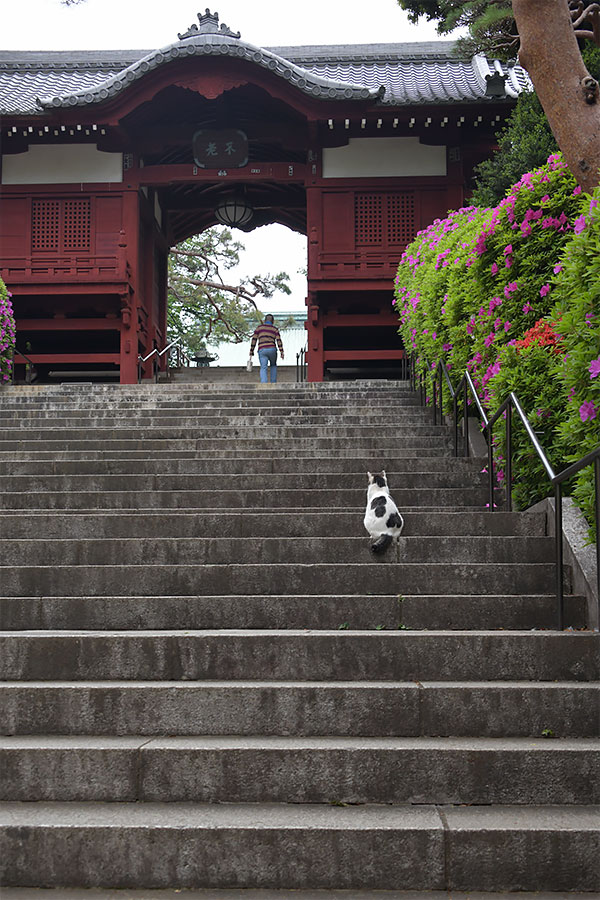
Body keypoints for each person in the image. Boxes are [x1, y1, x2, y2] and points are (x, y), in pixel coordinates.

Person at [249, 314, 284, 383]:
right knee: (273, 365)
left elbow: (254, 339)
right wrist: (281, 351)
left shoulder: (259, 328)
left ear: (264, 320)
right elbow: (278, 340)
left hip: (262, 349)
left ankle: (264, 383)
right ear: (273, 321)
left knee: (263, 367)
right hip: (272, 349)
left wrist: (251, 351)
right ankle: (273, 383)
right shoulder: (275, 329)